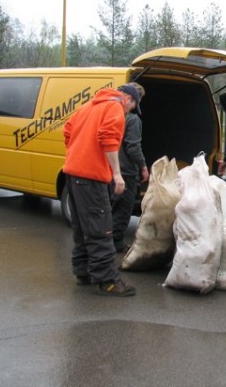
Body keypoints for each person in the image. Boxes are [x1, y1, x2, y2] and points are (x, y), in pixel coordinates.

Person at [63, 83, 140, 297]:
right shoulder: (114, 107)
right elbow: (108, 138)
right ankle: (107, 281)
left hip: (73, 175)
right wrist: (117, 174)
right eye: (132, 106)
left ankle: (83, 271)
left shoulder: (88, 106)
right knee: (101, 229)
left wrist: (78, 155)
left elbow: (67, 131)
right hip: (91, 178)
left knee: (82, 228)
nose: (129, 111)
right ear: (127, 98)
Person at [111, 82, 149, 253]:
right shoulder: (132, 119)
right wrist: (143, 166)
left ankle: (106, 240)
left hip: (111, 169)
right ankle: (116, 242)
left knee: (111, 206)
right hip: (126, 172)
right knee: (123, 209)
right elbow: (133, 147)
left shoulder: (112, 116)